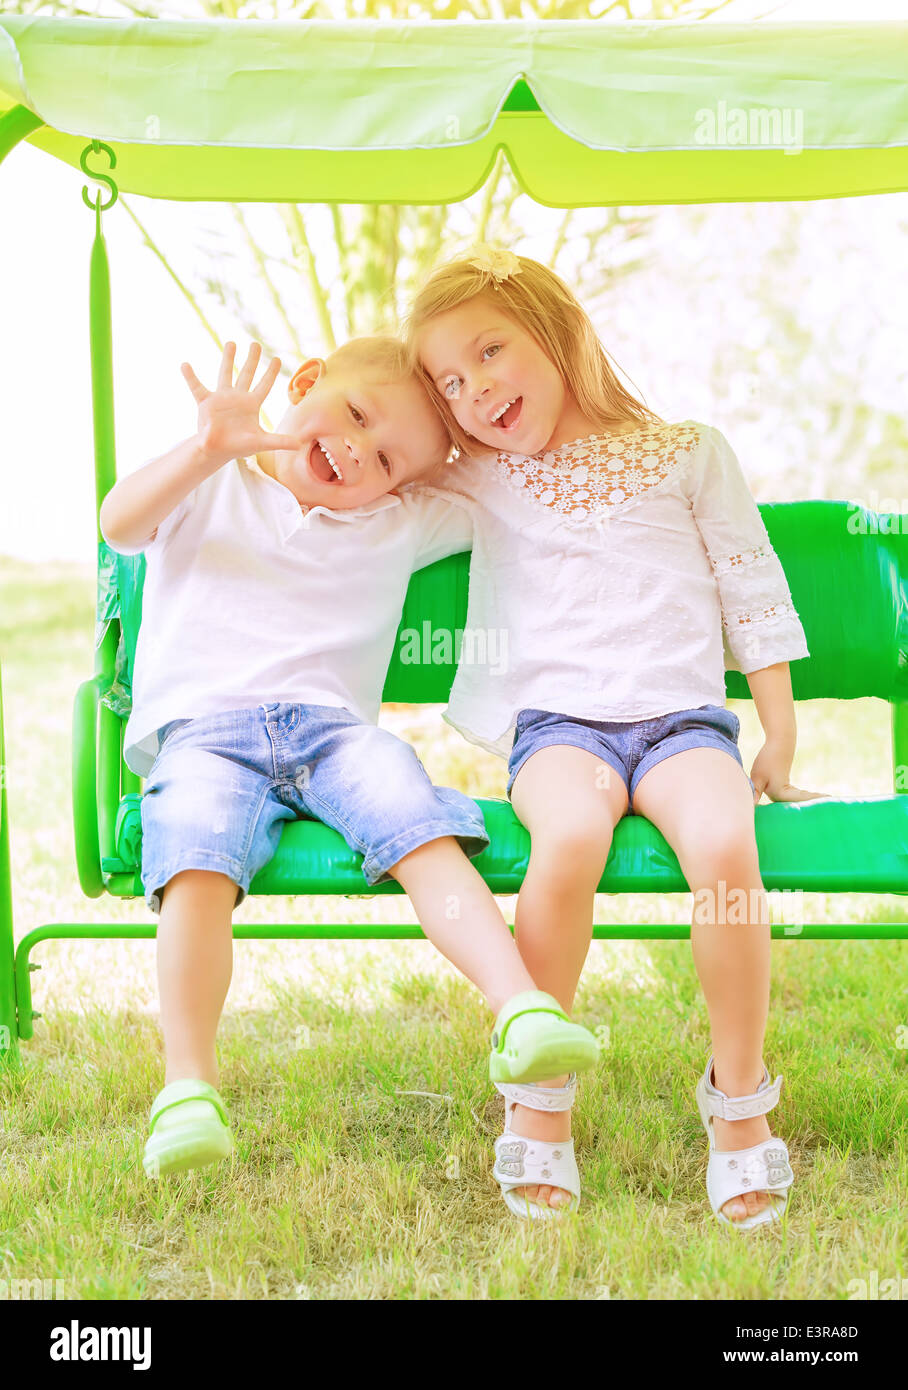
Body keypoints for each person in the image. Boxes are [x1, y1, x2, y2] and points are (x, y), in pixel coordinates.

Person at [100, 334, 600, 1179]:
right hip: (206, 734)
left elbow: (509, 484)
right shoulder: (213, 481)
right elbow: (120, 523)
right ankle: (187, 1087)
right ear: (302, 383)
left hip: (336, 734)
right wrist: (206, 445)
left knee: (414, 820)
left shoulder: (398, 520)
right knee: (195, 855)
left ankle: (519, 1008)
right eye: (356, 415)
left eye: (387, 458)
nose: (355, 452)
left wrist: (458, 431)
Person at [407, 246, 823, 1225]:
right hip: (561, 731)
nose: (473, 393)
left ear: (556, 330)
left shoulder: (687, 451)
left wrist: (776, 736)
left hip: (683, 724)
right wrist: (315, 414)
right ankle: (538, 1101)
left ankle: (737, 1103)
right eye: (450, 384)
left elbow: (750, 590)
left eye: (489, 352)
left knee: (724, 848)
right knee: (570, 840)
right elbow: (366, 474)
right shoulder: (479, 479)